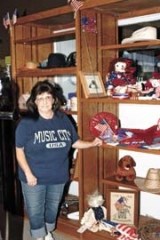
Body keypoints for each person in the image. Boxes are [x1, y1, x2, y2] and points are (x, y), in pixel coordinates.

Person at [15, 80, 102, 240]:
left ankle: (46, 232)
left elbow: (74, 141)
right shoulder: (27, 123)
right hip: (33, 176)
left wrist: (91, 144)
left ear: (54, 99)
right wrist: (28, 173)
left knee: (52, 209)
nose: (44, 102)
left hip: (58, 175)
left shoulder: (63, 119)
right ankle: (39, 237)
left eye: (48, 97)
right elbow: (19, 150)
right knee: (35, 210)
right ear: (34, 101)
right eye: (40, 98)